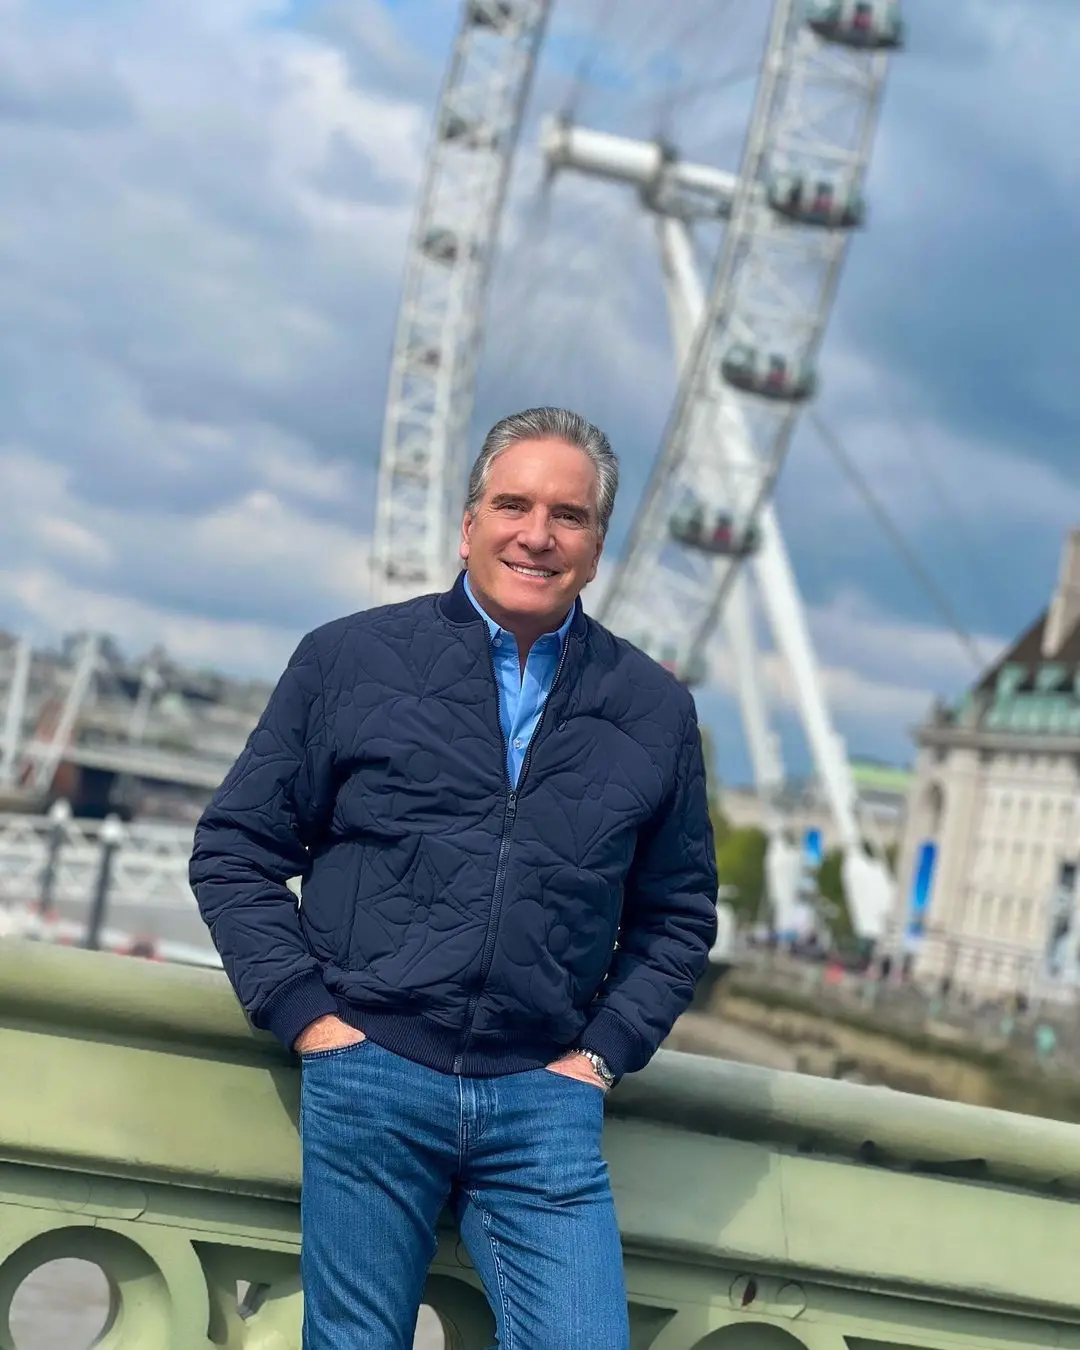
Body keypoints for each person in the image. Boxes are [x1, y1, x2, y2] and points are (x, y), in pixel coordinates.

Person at [190, 406, 719, 1350]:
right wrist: (311, 1022)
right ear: (468, 524)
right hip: (371, 1073)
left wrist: (598, 1059)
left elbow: (677, 916)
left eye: (568, 516)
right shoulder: (349, 660)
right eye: (513, 505)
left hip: (544, 1102)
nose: (537, 535)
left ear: (598, 549)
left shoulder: (654, 709)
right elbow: (235, 849)